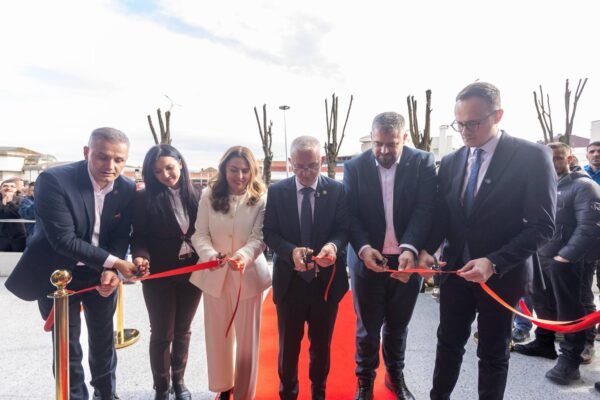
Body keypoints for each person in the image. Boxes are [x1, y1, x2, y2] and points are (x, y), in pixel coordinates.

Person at [417, 82, 556, 400]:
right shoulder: (451, 161)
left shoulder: (531, 157)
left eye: (473, 123)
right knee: (448, 343)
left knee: (493, 351)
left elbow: (542, 226)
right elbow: (444, 216)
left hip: (502, 275)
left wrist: (493, 262)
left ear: (498, 115)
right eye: (459, 124)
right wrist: (426, 250)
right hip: (456, 272)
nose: (465, 132)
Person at [5, 127, 143, 400]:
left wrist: (110, 270)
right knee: (67, 345)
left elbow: (119, 235)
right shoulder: (54, 180)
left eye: (119, 160)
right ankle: (74, 396)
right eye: (102, 157)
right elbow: (63, 240)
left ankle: (106, 394)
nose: (111, 166)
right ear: (86, 152)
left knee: (104, 340)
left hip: (100, 274)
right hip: (57, 274)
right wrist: (116, 263)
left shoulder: (126, 188)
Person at [345, 112, 437, 400]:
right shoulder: (354, 167)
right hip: (367, 260)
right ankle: (365, 381)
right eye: (378, 144)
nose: (384, 151)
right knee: (367, 328)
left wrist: (410, 248)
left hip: (407, 260)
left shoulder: (422, 162)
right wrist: (363, 249)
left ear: (404, 138)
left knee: (398, 326)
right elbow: (350, 214)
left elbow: (425, 208)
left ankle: (395, 376)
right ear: (371, 138)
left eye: (391, 144)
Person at [264, 136, 348, 400]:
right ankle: (288, 393)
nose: (306, 173)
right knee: (288, 347)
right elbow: (269, 232)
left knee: (321, 346)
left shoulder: (337, 190)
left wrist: (333, 247)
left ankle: (318, 392)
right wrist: (290, 252)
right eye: (299, 167)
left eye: (312, 166)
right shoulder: (277, 192)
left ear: (321, 160)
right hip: (290, 284)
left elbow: (343, 230)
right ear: (290, 163)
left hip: (325, 283)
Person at [513, 142, 600, 384]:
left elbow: (590, 226)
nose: (551, 164)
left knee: (572, 311)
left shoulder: (584, 186)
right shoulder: (541, 187)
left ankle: (570, 361)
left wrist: (565, 256)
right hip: (541, 257)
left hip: (569, 262)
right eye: (546, 160)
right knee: (544, 304)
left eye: (558, 158)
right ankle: (544, 342)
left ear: (569, 159)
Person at [190, 146, 271, 400]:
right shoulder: (208, 195)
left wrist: (243, 256)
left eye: (245, 170)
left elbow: (259, 237)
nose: (240, 176)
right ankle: (224, 388)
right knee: (218, 336)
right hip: (214, 274)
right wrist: (210, 256)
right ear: (224, 169)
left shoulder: (261, 197)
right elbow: (199, 234)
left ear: (253, 171)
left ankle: (245, 393)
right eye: (234, 170)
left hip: (248, 275)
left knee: (247, 342)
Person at [131, 144, 203, 400]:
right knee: (162, 333)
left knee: (183, 330)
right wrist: (141, 256)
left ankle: (179, 381)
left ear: (180, 164)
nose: (165, 175)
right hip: (159, 274)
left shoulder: (199, 194)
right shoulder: (143, 198)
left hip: (192, 272)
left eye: (170, 167)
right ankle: (161, 387)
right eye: (158, 171)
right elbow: (138, 236)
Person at [0, 178, 26, 251]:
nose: (8, 188)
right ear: (0, 189)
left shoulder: (22, 200)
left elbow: (20, 213)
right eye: (5, 186)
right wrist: (3, 204)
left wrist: (10, 202)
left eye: (12, 186)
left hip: (18, 236)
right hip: (1, 237)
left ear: (15, 189)